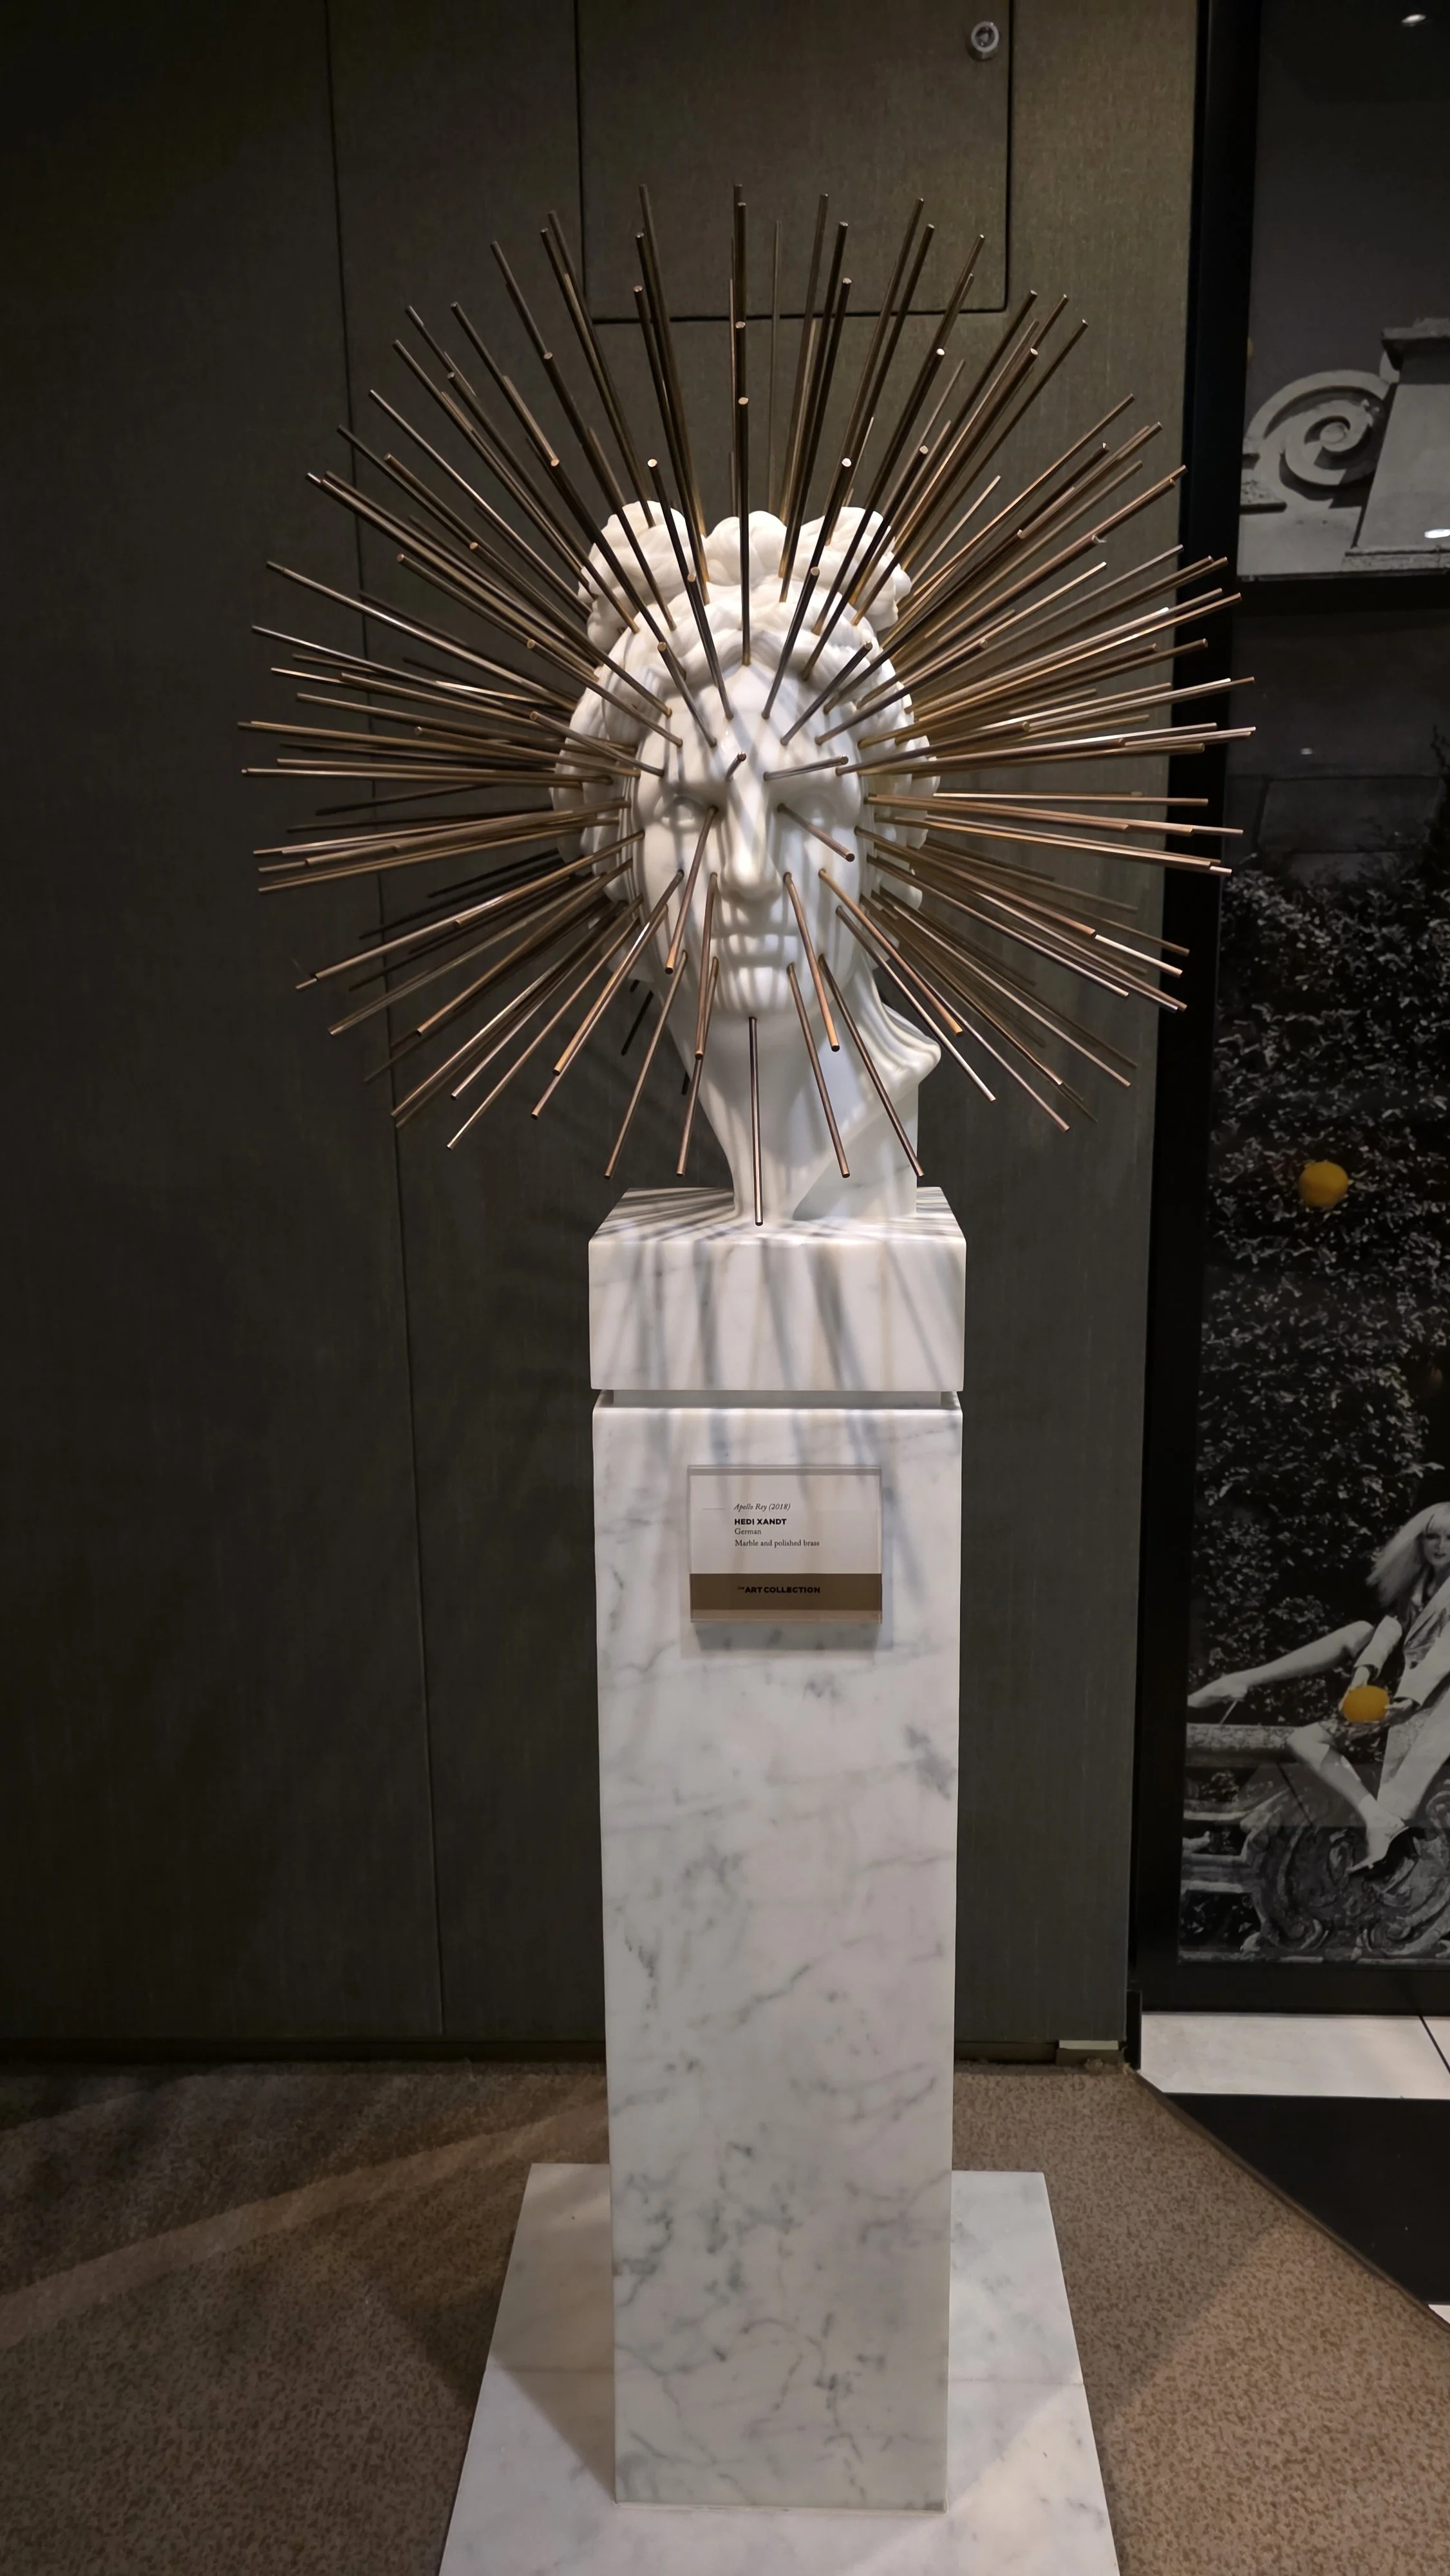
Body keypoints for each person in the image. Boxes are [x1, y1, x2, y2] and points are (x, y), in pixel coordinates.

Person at [1188, 1501, 1450, 1866]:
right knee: (1304, 1738)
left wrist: (1409, 1698)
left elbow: (1443, 1655)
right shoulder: (1416, 1589)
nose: (1440, 1546)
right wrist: (1363, 1673)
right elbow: (1388, 1632)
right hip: (1393, 1697)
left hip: (1432, 1702)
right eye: (1432, 1537)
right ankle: (1378, 1820)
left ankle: (1241, 1682)